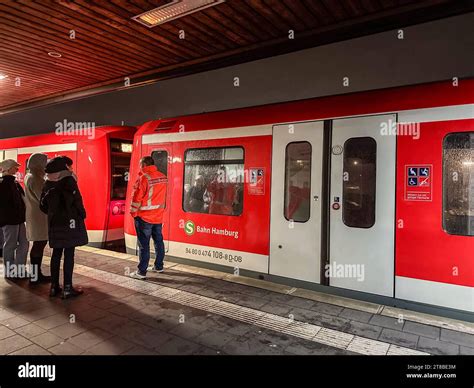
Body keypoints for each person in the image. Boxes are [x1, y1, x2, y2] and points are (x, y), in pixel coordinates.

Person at [40, 156, 88, 298]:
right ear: (64, 167)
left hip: (54, 223)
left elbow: (42, 206)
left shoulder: (47, 183)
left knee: (56, 254)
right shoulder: (69, 181)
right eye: (69, 166)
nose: (70, 168)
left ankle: (54, 287)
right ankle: (67, 288)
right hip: (70, 223)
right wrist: (82, 214)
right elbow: (77, 201)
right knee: (69, 254)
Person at [129, 156, 167, 280]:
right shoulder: (163, 177)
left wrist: (133, 212)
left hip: (144, 217)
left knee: (144, 245)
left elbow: (136, 198)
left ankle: (141, 272)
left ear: (145, 164)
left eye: (141, 164)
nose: (140, 167)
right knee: (158, 241)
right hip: (158, 216)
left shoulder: (144, 178)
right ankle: (159, 266)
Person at [24, 153, 51, 285]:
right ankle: (36, 276)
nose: (46, 165)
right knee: (39, 244)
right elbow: (44, 198)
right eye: (44, 162)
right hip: (39, 216)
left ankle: (35, 274)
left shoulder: (29, 176)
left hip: (34, 214)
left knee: (38, 244)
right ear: (39, 164)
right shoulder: (36, 179)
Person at [0, 159, 28, 279]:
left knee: (24, 243)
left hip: (18, 219)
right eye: (15, 167)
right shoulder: (4, 184)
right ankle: (10, 271)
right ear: (8, 168)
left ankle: (19, 269)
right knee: (10, 245)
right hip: (10, 220)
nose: (17, 169)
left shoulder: (14, 183)